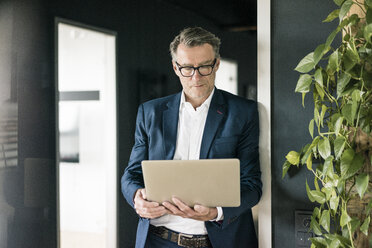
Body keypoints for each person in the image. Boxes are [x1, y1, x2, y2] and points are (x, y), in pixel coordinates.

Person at [121, 27, 262, 248]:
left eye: (204, 66)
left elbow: (252, 185)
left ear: (216, 64)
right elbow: (131, 174)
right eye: (187, 68)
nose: (196, 77)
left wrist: (216, 212)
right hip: (158, 240)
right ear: (176, 67)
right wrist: (137, 197)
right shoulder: (150, 112)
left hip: (218, 241)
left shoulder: (243, 112)